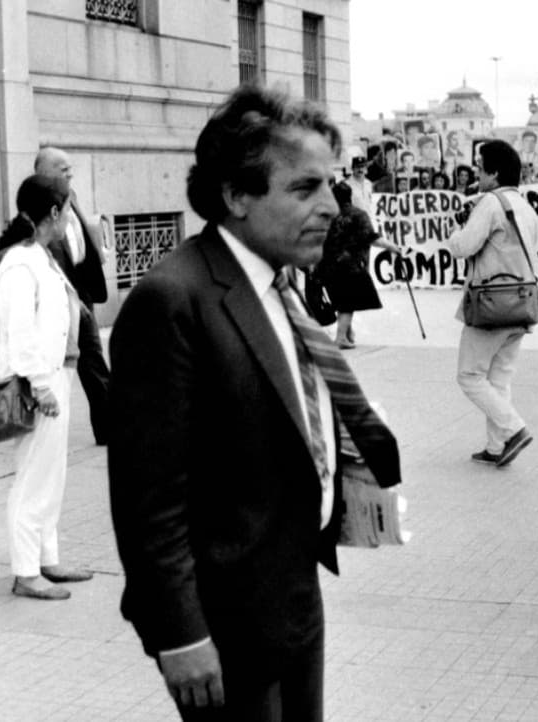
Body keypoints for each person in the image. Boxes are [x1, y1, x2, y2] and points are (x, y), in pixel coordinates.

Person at [108, 85, 402, 720]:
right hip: (226, 623)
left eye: (331, 184)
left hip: (296, 594)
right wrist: (180, 634)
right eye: (304, 189)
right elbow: (147, 502)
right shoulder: (173, 300)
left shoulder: (278, 285)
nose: (332, 207)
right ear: (236, 195)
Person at [0, 174, 95, 601]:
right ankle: (25, 571)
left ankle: (47, 558)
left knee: (50, 474)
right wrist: (41, 387)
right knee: (32, 475)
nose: (69, 216)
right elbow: (19, 333)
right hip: (36, 381)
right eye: (67, 208)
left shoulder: (40, 255)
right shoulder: (20, 263)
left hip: (57, 373)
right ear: (53, 212)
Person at [443, 140, 538, 467]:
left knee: (469, 375)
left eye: (480, 168)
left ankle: (514, 429)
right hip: (522, 302)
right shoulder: (525, 205)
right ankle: (496, 447)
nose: (477, 174)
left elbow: (464, 247)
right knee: (499, 378)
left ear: (494, 174)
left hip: (491, 303)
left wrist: (456, 228)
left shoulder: (490, 203)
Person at [33, 148, 110, 445]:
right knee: (78, 361)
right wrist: (70, 297)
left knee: (92, 361)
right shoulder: (38, 204)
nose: (70, 173)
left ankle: (108, 426)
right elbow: (49, 252)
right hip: (64, 295)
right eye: (63, 169)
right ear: (45, 171)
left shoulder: (70, 195)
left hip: (82, 289)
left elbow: (75, 238)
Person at [319, 182, 401, 348]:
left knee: (342, 300)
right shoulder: (358, 215)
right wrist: (392, 247)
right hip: (352, 265)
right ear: (350, 196)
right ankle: (341, 337)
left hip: (328, 265)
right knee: (348, 302)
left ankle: (348, 333)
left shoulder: (326, 215)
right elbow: (372, 238)